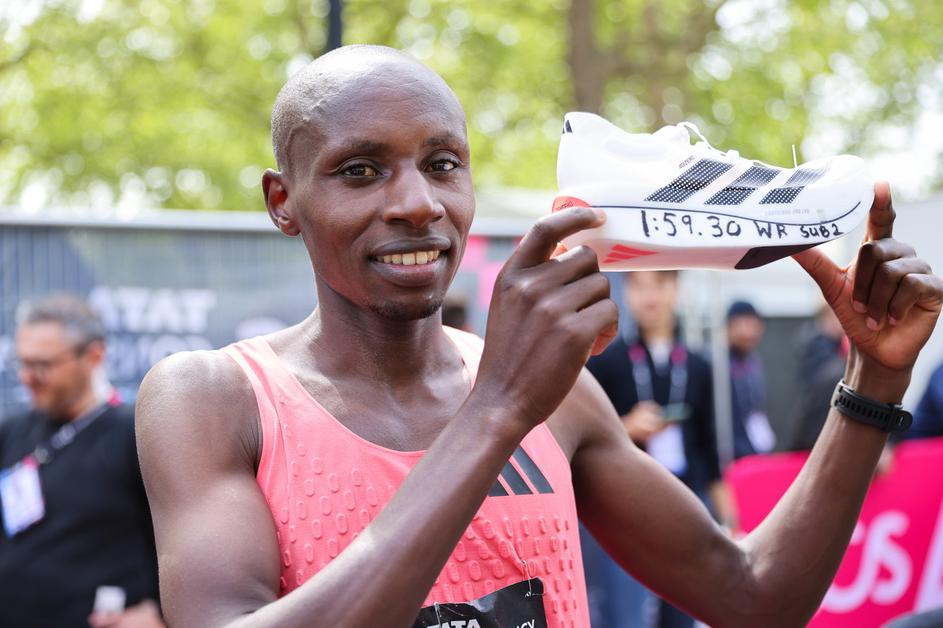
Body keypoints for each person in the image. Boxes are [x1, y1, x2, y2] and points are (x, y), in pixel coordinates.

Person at [135, 45, 943, 627]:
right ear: (283, 201)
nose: (417, 203)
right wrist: (496, 410)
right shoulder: (215, 398)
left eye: (442, 164)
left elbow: (752, 595)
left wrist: (871, 380)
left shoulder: (555, 395)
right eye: (360, 170)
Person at [0, 295, 162, 628]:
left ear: (93, 356)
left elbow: (179, 536)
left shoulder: (135, 433)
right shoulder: (11, 431)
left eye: (43, 365)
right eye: (23, 363)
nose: (28, 377)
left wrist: (158, 611)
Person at [584, 270, 727, 628]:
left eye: (660, 285)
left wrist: (727, 517)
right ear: (627, 293)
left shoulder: (697, 365)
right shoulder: (607, 362)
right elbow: (582, 436)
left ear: (676, 290)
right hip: (623, 510)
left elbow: (709, 446)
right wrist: (625, 428)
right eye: (640, 286)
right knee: (625, 616)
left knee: (682, 614)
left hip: (685, 504)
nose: (651, 296)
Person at [726, 300, 775, 459]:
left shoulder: (753, 361)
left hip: (756, 445)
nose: (749, 332)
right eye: (743, 324)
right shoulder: (719, 365)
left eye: (754, 325)